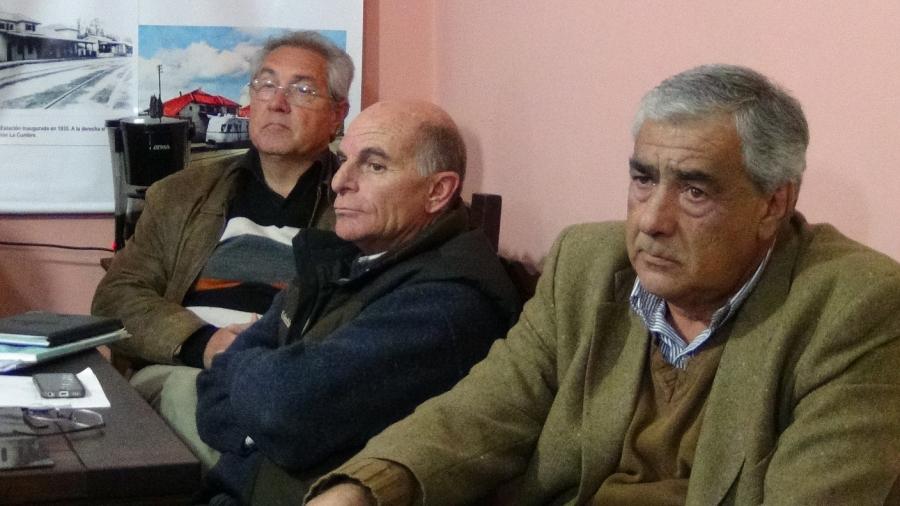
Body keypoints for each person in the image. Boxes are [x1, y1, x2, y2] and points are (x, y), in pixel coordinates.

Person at [306, 64, 900, 505]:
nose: (651, 220)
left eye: (695, 191)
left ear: (773, 204)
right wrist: (365, 488)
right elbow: (485, 411)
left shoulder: (856, 306)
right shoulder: (587, 264)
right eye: (643, 179)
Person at [180, 99, 522, 504]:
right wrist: (262, 419)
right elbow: (212, 396)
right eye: (343, 160)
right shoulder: (345, 261)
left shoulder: (446, 305)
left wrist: (255, 397)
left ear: (437, 191)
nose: (340, 181)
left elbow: (282, 409)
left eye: (374, 166)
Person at [92, 30, 353, 372]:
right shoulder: (180, 194)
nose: (277, 103)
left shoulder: (359, 204)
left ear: (337, 114)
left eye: (302, 90)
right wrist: (203, 343)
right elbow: (116, 296)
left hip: (293, 374)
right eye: (266, 85)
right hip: (187, 370)